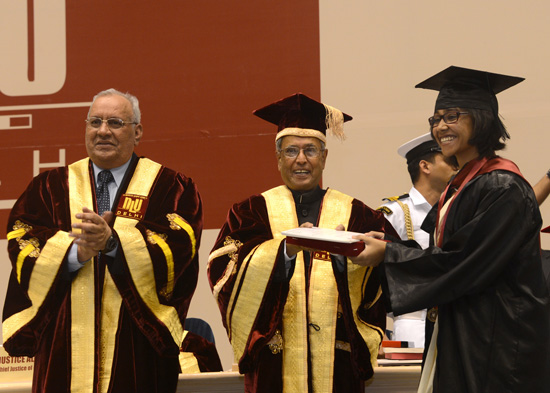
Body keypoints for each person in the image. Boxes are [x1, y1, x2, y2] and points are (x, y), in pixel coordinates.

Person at [351, 66, 550, 392]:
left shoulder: (503, 186)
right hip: (465, 333)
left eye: (452, 116)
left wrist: (389, 253)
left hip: (498, 344)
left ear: (481, 117)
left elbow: (464, 262)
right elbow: (444, 257)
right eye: (436, 119)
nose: (440, 126)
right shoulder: (461, 187)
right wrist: (383, 245)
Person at [2, 89, 203, 393]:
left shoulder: (171, 187)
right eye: (94, 122)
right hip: (63, 347)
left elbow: (180, 243)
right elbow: (21, 238)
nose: (103, 131)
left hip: (137, 347)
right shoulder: (49, 187)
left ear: (137, 132)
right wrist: (74, 252)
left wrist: (113, 244)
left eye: (115, 123)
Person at [207, 93, 397, 393]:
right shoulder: (249, 212)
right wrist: (283, 252)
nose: (301, 159)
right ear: (278, 157)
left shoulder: (360, 215)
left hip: (338, 362)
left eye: (310, 150)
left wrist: (348, 257)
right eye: (291, 150)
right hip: (273, 363)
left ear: (324, 157)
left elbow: (390, 276)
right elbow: (223, 271)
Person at [377, 133, 456, 347]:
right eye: (449, 161)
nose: (457, 167)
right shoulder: (395, 213)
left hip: (457, 322)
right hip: (414, 324)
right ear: (425, 166)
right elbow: (371, 275)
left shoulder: (456, 210)